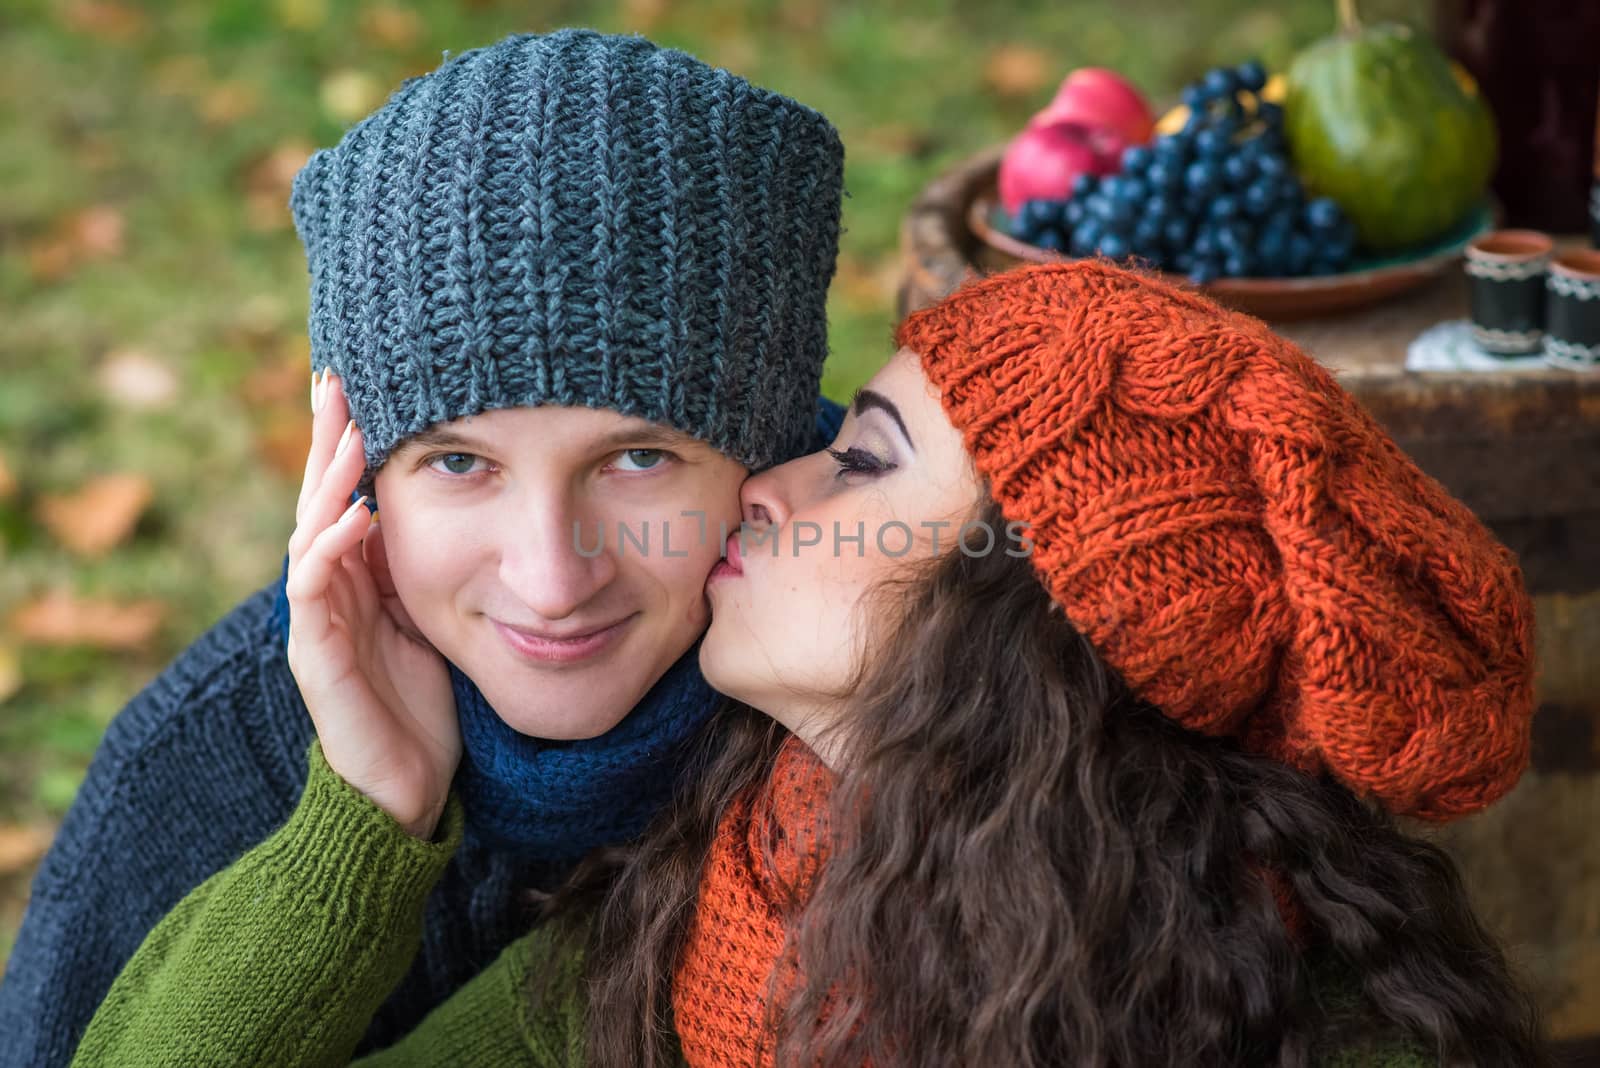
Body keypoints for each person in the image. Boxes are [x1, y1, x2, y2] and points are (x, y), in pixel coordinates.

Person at [73, 262, 1548, 1067]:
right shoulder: (732, 897)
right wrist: (364, 817)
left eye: (864, 463)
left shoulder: (1293, 1023)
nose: (775, 484)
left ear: (1030, 619)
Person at [0, 29, 845, 1066]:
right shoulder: (193, 773)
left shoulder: (880, 716)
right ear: (358, 479)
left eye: (636, 459)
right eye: (457, 464)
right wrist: (355, 831)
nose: (550, 580)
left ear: (768, 455)